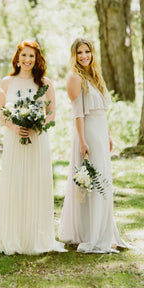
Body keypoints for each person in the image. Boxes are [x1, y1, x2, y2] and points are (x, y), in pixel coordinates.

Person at [0, 40, 66, 255]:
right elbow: (2, 112)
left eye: (31, 56)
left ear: (37, 59)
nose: (27, 60)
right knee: (15, 183)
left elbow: (51, 112)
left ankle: (36, 237)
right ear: (17, 57)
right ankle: (12, 236)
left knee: (35, 183)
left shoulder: (45, 83)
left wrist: (36, 126)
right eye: (24, 55)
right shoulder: (7, 82)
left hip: (37, 140)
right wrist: (14, 126)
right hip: (14, 140)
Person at [58, 38, 130, 253]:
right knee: (92, 183)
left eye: (87, 51)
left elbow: (102, 112)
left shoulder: (94, 76)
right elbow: (78, 114)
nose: (83, 56)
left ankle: (104, 231)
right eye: (79, 52)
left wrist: (107, 135)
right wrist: (82, 141)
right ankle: (92, 234)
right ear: (74, 55)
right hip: (87, 134)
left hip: (100, 132)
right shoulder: (75, 77)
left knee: (103, 182)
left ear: (92, 53)